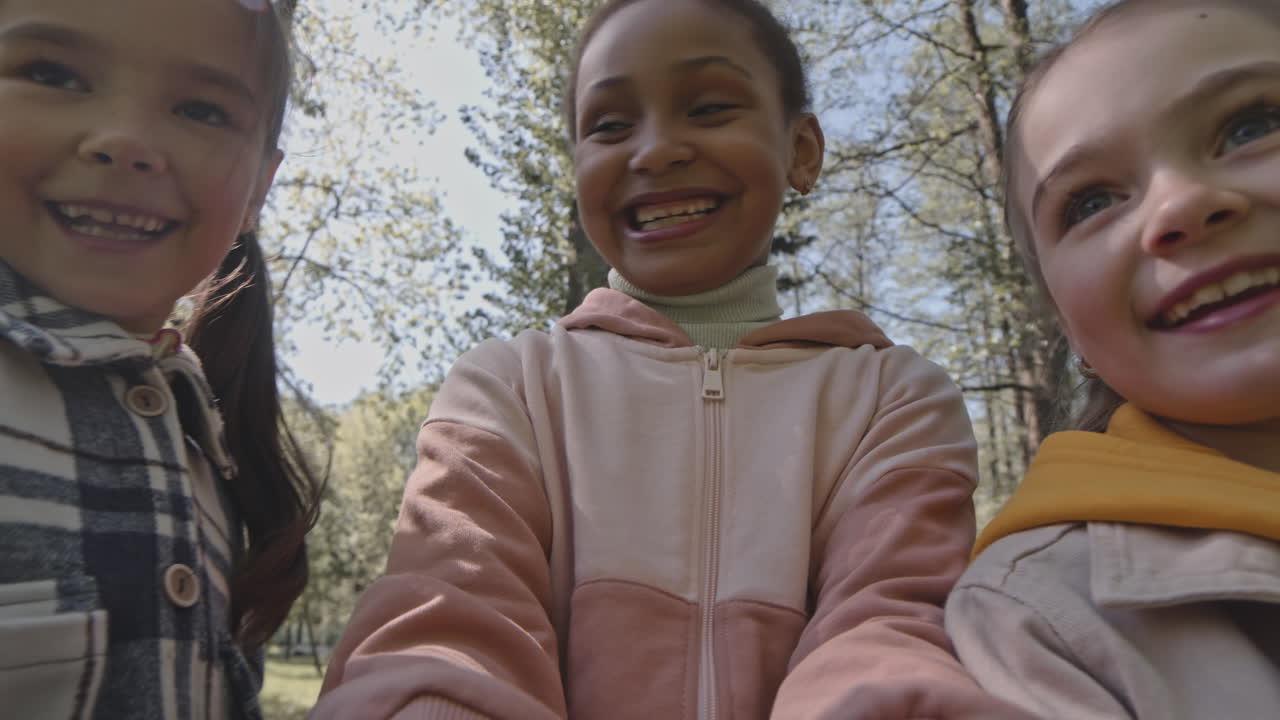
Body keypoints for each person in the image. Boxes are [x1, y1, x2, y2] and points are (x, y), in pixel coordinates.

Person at [314, 0, 1023, 718]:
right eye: (611, 125)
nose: (653, 151)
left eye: (710, 106)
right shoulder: (508, 389)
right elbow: (445, 627)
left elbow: (891, 629)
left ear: (802, 150)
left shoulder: (894, 400)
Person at [945, 0, 1280, 717]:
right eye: (1091, 201)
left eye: (1251, 127)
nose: (1181, 205)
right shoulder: (1041, 617)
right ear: (1072, 330)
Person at [0, 0, 318, 717]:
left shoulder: (206, 444)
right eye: (53, 73)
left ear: (257, 194)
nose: (126, 140)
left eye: (201, 111)